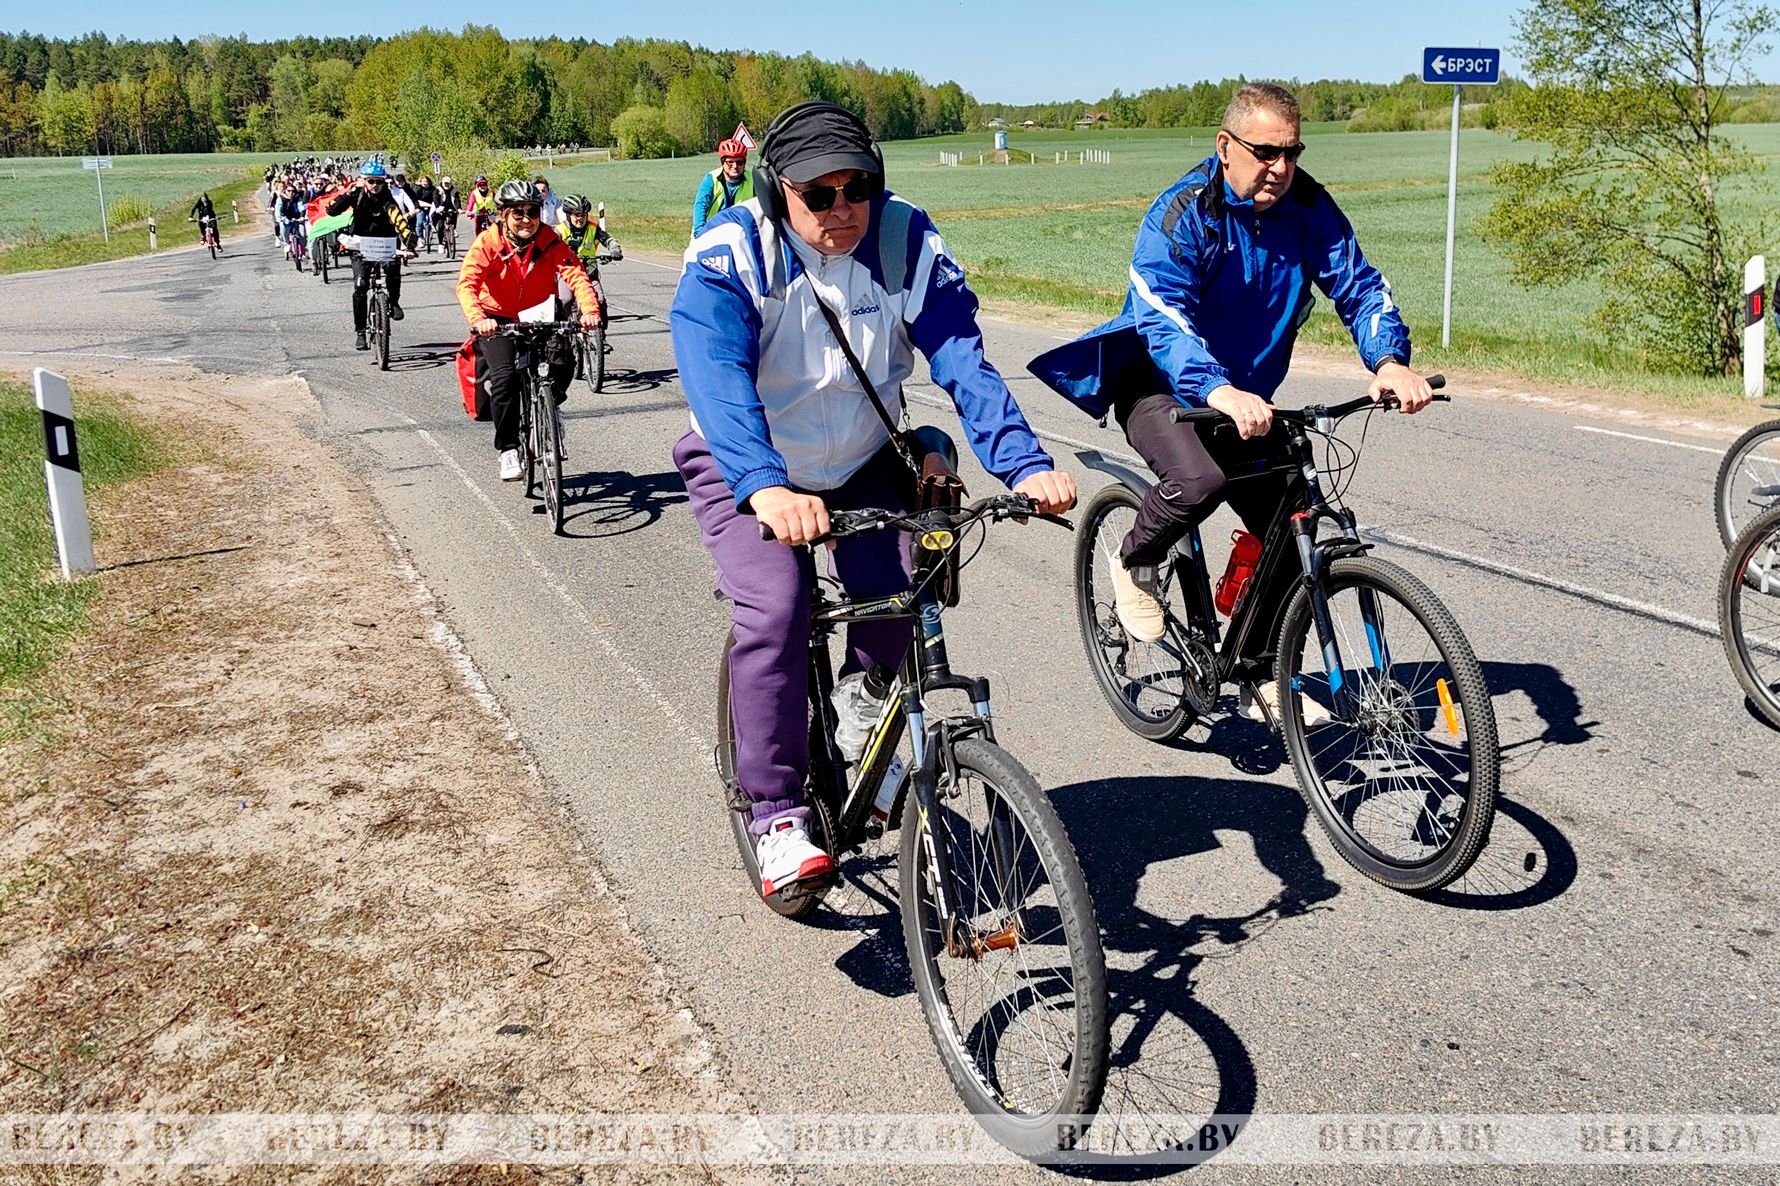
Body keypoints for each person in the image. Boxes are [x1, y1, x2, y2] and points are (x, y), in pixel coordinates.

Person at [671, 101, 1076, 901]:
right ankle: (777, 812)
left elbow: (961, 358)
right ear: (775, 190)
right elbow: (715, 377)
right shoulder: (732, 254)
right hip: (746, 463)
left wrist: (1023, 464)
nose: (842, 208)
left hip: (862, 456)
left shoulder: (902, 239)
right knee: (777, 609)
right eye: (818, 194)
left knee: (900, 589)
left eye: (857, 187)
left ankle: (862, 701)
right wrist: (765, 485)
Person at [1028, 82, 1433, 724]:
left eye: (1292, 152)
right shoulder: (1184, 212)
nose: (1281, 166)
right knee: (1199, 480)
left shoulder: (1308, 206)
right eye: (1265, 152)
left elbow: (1358, 284)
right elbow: (1161, 312)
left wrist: (1388, 361)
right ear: (1225, 146)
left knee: (1295, 515)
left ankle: (1258, 671)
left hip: (1243, 396)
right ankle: (1135, 557)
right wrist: (1215, 387)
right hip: (1160, 385)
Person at [456, 179, 602, 480]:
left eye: (532, 212)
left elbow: (575, 273)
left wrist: (589, 310)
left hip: (540, 312)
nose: (526, 219)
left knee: (563, 361)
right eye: (518, 212)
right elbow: (467, 284)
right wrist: (479, 318)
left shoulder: (549, 240)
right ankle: (508, 449)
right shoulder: (488, 243)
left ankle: (551, 407)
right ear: (503, 214)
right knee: (505, 379)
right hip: (497, 318)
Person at [326, 160, 407, 351]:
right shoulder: (357, 195)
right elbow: (332, 210)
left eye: (379, 182)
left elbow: (398, 219)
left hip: (385, 243)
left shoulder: (387, 197)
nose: (375, 185)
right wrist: (351, 192)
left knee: (393, 269)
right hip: (360, 244)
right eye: (371, 181)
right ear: (364, 181)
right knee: (360, 285)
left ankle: (394, 301)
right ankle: (361, 331)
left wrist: (410, 242)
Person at [557, 194, 621, 321]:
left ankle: (600, 331)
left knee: (599, 300)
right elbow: (548, 247)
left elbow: (608, 240)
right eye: (577, 215)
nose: (580, 219)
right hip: (567, 274)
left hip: (589, 272)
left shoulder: (593, 228)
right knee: (565, 299)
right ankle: (562, 327)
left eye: (583, 215)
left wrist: (615, 249)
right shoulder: (560, 230)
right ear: (568, 215)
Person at [690, 139, 751, 237]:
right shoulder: (711, 179)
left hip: (739, 233)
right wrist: (700, 233)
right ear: (723, 162)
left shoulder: (752, 179)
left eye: (739, 162)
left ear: (744, 163)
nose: (735, 166)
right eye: (730, 162)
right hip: (710, 230)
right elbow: (701, 205)